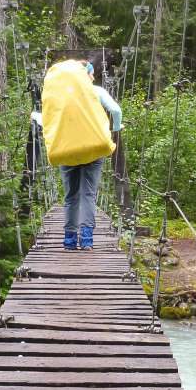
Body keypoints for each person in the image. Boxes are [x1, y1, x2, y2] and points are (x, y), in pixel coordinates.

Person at [58, 57, 122, 250]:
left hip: (67, 150)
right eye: (92, 73)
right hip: (93, 150)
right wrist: (115, 131)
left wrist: (34, 117)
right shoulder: (98, 91)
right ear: (86, 74)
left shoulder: (61, 95)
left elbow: (49, 121)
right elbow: (116, 111)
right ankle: (86, 240)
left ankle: (69, 240)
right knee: (88, 195)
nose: (94, 77)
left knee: (71, 197)